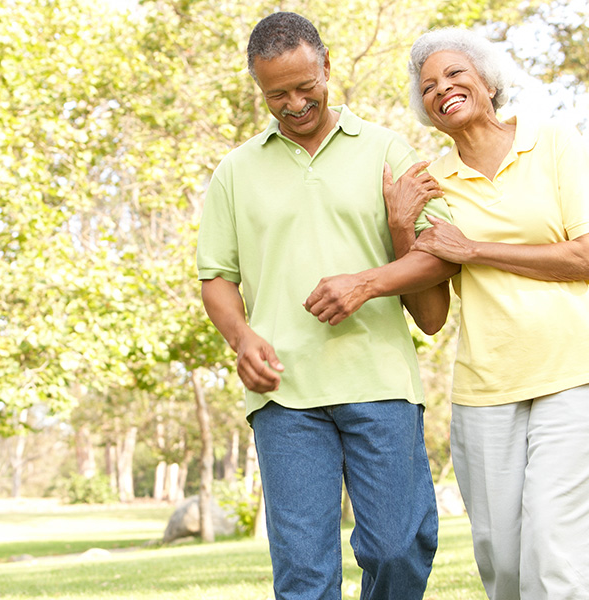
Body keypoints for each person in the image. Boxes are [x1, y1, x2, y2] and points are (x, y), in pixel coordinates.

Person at [196, 12, 458, 600]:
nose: (292, 104)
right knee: (304, 575)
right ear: (258, 88)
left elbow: (441, 255)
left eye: (304, 88)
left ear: (327, 68)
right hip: (284, 396)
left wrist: (366, 283)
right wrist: (242, 339)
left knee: (398, 547)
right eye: (276, 94)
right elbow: (216, 278)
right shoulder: (235, 172)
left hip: (379, 381)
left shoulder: (388, 150)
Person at [383, 28, 589, 600]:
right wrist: (402, 227)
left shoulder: (552, 143)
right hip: (487, 384)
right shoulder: (432, 184)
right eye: (428, 87)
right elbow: (429, 315)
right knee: (500, 559)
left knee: (554, 550)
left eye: (454, 74)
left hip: (580, 369)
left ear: (488, 81)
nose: (442, 89)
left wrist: (474, 251)